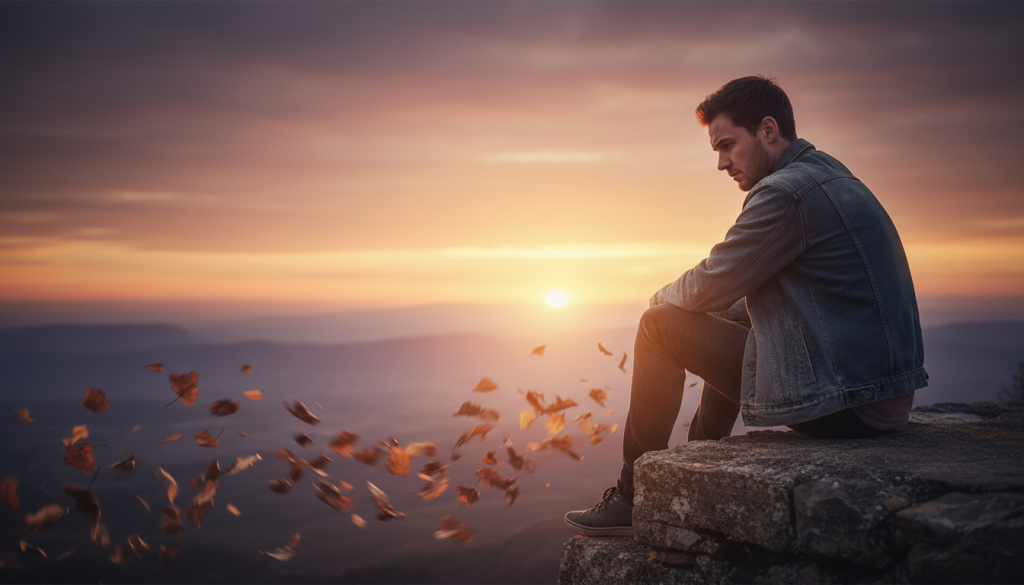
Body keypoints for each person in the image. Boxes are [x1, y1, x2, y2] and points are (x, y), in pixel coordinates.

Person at [563, 75, 928, 537]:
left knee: (658, 325)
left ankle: (634, 495)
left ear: (769, 130)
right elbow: (733, 298)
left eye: (728, 145)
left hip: (847, 402)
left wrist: (659, 299)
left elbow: (710, 284)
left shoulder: (784, 193)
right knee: (729, 316)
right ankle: (700, 458)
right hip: (879, 395)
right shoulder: (830, 175)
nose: (721, 163)